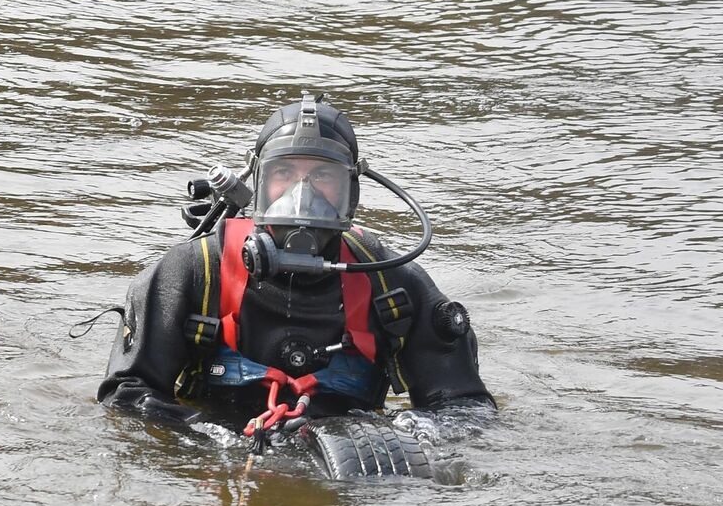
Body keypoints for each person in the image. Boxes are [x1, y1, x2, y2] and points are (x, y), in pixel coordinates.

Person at [98, 93, 492, 454]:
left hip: (347, 466)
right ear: (260, 184)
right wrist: (214, 440)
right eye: (283, 173)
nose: (301, 194)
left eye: (322, 176)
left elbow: (466, 409)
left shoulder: (393, 285)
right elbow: (125, 396)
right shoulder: (195, 272)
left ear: (350, 193)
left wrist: (404, 434)